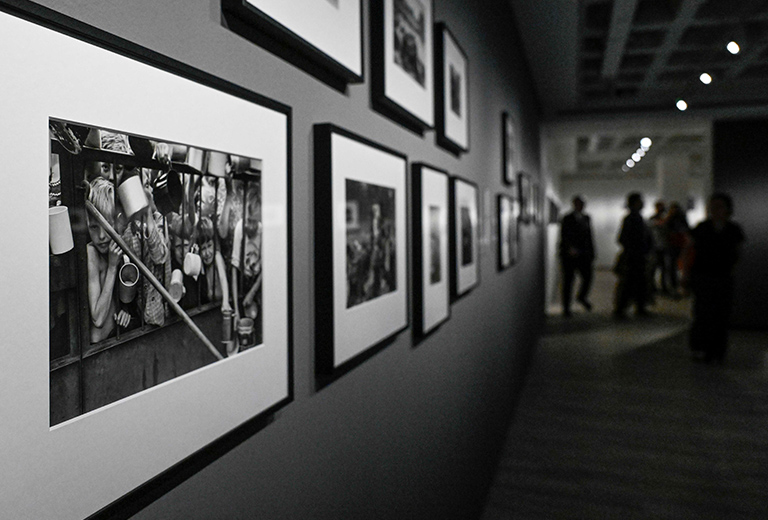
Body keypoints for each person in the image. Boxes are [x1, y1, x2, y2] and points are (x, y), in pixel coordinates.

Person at [682, 193, 744, 364]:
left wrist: (732, 269)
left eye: (719, 206)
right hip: (703, 276)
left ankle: (717, 350)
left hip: (723, 277)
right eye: (712, 207)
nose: (715, 210)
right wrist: (686, 275)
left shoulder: (733, 229)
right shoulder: (702, 228)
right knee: (702, 313)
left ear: (727, 209)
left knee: (721, 315)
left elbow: (738, 252)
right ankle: (700, 348)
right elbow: (688, 251)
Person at [85, 177, 131, 342]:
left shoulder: (119, 245)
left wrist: (125, 309)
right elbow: (97, 319)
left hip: (116, 337)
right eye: (94, 227)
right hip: (97, 348)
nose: (102, 236)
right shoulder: (91, 253)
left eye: (106, 226)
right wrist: (112, 267)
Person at [614, 192, 653, 317]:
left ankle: (637, 307)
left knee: (637, 283)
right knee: (628, 283)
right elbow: (622, 239)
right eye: (640, 201)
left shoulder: (638, 218)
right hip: (633, 257)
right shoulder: (631, 219)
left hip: (638, 257)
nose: (642, 203)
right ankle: (621, 308)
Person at [558, 196, 595, 316]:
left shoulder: (586, 218)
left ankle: (581, 297)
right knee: (568, 281)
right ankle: (566, 309)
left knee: (588, 277)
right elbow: (564, 235)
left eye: (582, 204)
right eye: (579, 204)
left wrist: (592, 252)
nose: (581, 206)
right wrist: (570, 248)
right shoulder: (567, 218)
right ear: (574, 204)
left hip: (584, 254)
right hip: (570, 255)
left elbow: (589, 236)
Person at [664, 201, 689, 295]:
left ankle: (679, 285)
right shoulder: (672, 219)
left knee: (678, 266)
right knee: (673, 266)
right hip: (674, 245)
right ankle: (675, 285)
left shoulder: (676, 219)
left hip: (678, 244)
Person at [649, 200, 670, 295]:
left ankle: (662, 286)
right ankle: (653, 287)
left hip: (663, 246)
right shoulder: (655, 219)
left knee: (663, 268)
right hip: (656, 247)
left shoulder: (666, 219)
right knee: (654, 268)